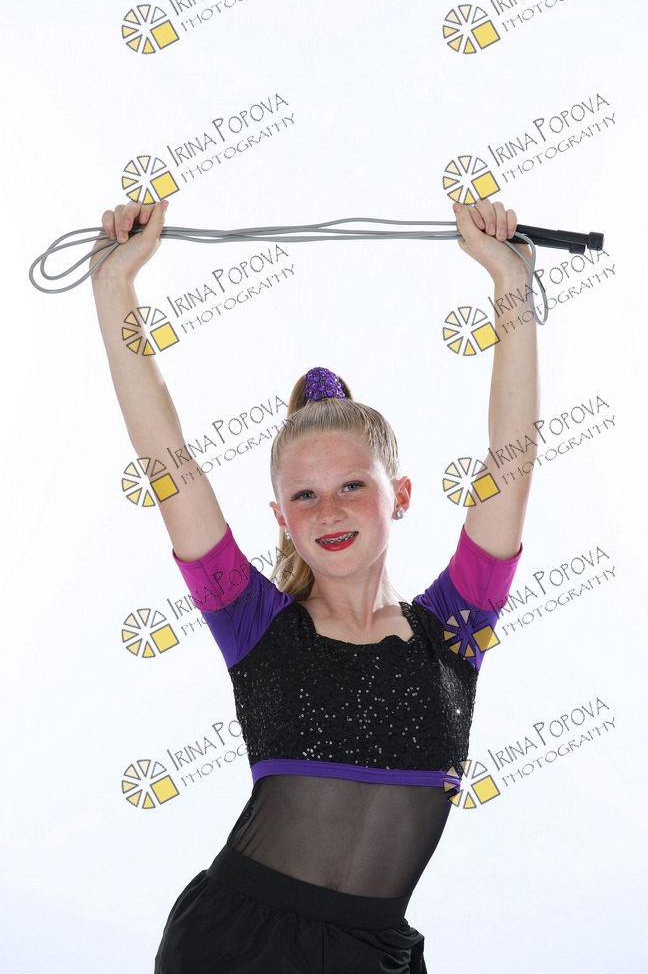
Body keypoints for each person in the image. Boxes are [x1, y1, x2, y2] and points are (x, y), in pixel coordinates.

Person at [90, 197, 538, 973]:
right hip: (234, 945)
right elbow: (168, 460)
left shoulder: (454, 629)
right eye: (304, 496)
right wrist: (112, 290)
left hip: (375, 953)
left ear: (399, 495)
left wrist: (510, 287)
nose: (328, 511)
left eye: (352, 486)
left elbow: (513, 457)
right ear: (281, 519)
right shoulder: (254, 623)